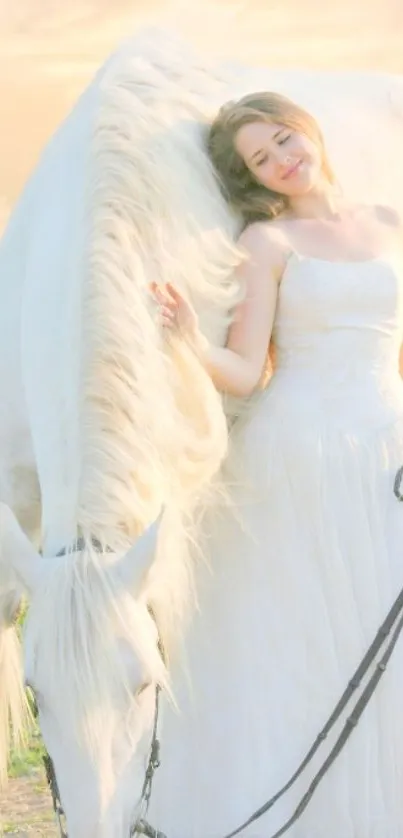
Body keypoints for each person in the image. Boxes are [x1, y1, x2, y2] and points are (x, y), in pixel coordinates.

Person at [150, 91, 403, 836]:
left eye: (283, 139)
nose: (283, 159)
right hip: (303, 455)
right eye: (262, 158)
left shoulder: (388, 222)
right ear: (255, 178)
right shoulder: (267, 244)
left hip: (385, 445)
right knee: (316, 639)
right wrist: (190, 338)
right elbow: (244, 371)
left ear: (307, 129)